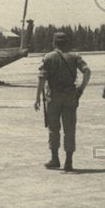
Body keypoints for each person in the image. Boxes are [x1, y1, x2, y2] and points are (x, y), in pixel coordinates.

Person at [35, 31, 90, 171]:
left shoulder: (48, 57)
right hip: (70, 96)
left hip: (53, 96)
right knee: (69, 129)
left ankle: (55, 159)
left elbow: (42, 78)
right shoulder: (75, 57)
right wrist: (81, 88)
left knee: (54, 129)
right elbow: (87, 71)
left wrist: (37, 98)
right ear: (67, 43)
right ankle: (69, 162)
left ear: (54, 43)